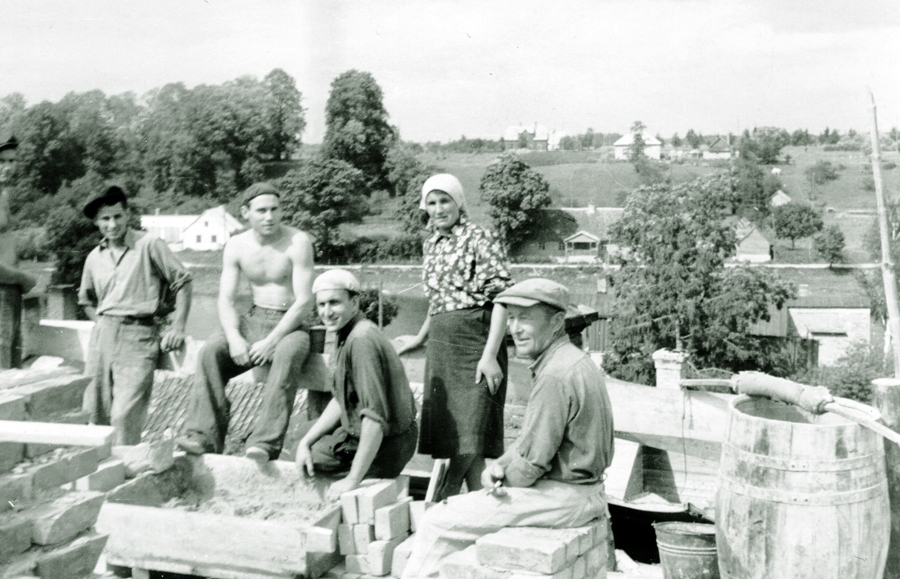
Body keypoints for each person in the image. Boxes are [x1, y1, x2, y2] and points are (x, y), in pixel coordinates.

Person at [402, 278, 615, 579]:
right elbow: (533, 440)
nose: (515, 328)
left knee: (438, 520)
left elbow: (531, 465)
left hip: (565, 497)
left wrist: (497, 482)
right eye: (512, 318)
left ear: (556, 322)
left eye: (525, 318)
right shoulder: (574, 360)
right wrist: (500, 463)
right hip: (583, 492)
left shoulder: (555, 375)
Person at [179, 182, 314, 463]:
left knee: (287, 355)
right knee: (210, 352)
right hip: (253, 318)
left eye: (275, 209)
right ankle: (202, 437)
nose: (269, 217)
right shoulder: (236, 246)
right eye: (262, 210)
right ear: (246, 212)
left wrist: (271, 341)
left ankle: (264, 444)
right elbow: (226, 300)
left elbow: (303, 302)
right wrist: (234, 336)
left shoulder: (298, 242)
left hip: (290, 326)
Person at [396, 173, 512, 500]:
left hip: (477, 339)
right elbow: (438, 301)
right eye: (431, 203)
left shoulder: (480, 237)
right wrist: (419, 338)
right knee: (464, 437)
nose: (438, 209)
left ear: (459, 202)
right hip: (443, 343)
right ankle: (480, 509)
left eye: (444, 200)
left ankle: (445, 493)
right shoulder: (430, 243)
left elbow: (502, 297)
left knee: (471, 428)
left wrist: (490, 355)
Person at [78, 185, 193, 445]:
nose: (112, 224)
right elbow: (86, 300)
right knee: (94, 411)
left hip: (138, 337)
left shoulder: (149, 244)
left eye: (117, 216)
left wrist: (177, 327)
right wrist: (103, 324)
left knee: (123, 415)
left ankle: (125, 470)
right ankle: (100, 476)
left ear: (127, 214)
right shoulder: (94, 258)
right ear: (97, 223)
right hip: (102, 337)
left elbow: (183, 281)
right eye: (105, 219)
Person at [296, 269, 418, 502]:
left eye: (334, 303)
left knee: (303, 455)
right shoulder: (349, 332)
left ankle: (334, 493)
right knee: (301, 436)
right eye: (321, 305)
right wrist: (306, 440)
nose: (327, 312)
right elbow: (340, 399)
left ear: (354, 303)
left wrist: (352, 480)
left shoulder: (360, 341)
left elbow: (375, 419)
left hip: (389, 446)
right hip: (382, 436)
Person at [0, 136, 37, 369]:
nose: (9, 167)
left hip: (9, 293)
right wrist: (24, 278)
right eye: (2, 161)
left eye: (12, 161)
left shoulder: (4, 195)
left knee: (11, 370)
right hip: (3, 290)